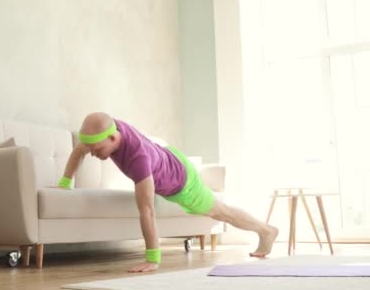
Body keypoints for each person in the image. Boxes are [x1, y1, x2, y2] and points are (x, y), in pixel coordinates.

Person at [57, 112, 278, 273]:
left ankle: (266, 231)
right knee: (220, 210)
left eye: (98, 151)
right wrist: (65, 183)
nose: (93, 154)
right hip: (167, 156)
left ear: (114, 138)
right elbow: (80, 150)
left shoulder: (138, 160)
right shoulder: (106, 132)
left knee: (221, 212)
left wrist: (152, 258)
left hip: (183, 182)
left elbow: (147, 211)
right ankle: (265, 230)